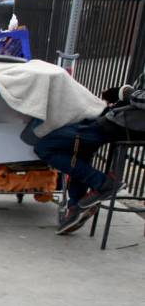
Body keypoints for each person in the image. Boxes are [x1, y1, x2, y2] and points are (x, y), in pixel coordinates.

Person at [34, 83, 145, 234]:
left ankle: (102, 184)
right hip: (116, 121)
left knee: (44, 147)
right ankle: (76, 206)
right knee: (78, 150)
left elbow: (139, 98)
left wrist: (125, 92)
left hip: (120, 126)